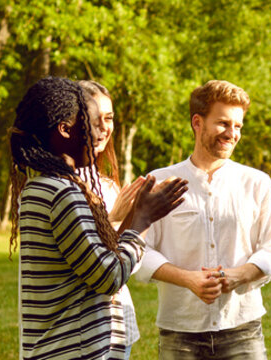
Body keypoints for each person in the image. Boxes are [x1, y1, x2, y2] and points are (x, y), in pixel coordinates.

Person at [10, 76, 187, 359]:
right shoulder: (61, 193)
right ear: (65, 130)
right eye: (88, 123)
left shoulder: (40, 185)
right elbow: (108, 276)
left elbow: (89, 264)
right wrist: (142, 219)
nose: (98, 132)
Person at [133, 80, 271, 360]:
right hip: (179, 331)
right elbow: (139, 250)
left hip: (242, 328)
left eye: (238, 126)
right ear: (197, 122)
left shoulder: (257, 183)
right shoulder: (160, 182)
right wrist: (187, 279)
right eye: (223, 124)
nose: (232, 133)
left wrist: (237, 276)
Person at [78, 80, 149, 359]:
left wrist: (139, 222)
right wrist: (115, 219)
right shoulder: (56, 186)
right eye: (93, 120)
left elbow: (131, 265)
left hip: (118, 327)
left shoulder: (108, 186)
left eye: (108, 119)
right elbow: (82, 260)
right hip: (80, 332)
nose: (103, 128)